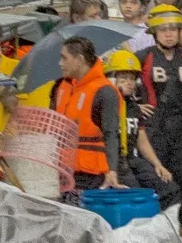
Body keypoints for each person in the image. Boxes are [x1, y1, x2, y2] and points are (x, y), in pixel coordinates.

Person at [133, 6, 182, 206]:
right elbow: (119, 83)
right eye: (163, 29)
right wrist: (135, 107)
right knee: (160, 175)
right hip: (155, 124)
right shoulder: (142, 56)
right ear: (154, 32)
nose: (169, 34)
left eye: (173, 29)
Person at [51, 36, 128, 191]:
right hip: (64, 171)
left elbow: (111, 133)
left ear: (80, 59)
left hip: (92, 175)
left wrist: (112, 170)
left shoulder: (104, 92)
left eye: (64, 58)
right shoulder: (62, 87)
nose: (60, 63)